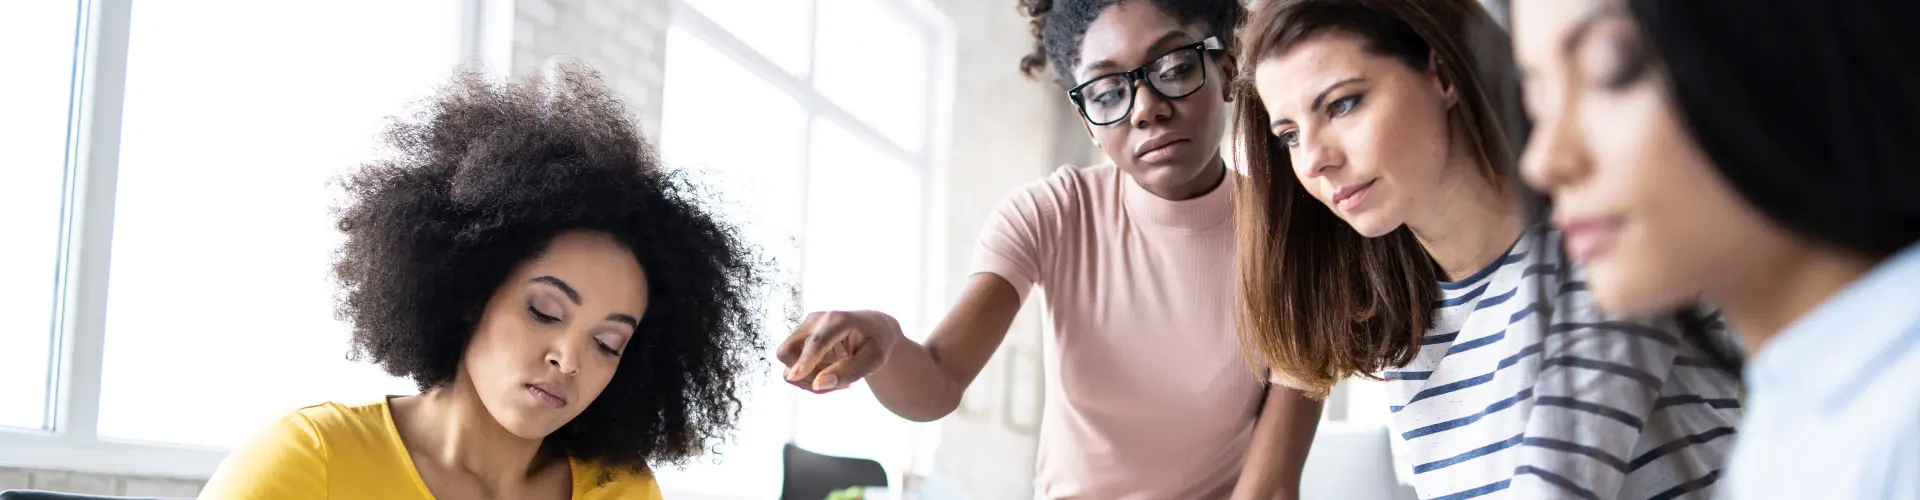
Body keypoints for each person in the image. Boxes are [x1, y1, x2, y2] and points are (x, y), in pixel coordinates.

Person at [775, 1, 1322, 498]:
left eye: (1174, 67)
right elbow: (937, 383)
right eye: (1108, 92)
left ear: (1226, 71)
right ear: (1086, 119)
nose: (1146, 109)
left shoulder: (1295, 245)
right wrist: (889, 343)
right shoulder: (1052, 214)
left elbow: (1270, 487)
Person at [1232, 0, 1743, 498]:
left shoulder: (1598, 245)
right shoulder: (1407, 324)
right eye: (1290, 136)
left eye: (1343, 104)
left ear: (1442, 75)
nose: (1316, 160)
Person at [200, 64, 769, 500]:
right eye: (544, 311)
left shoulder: (619, 489)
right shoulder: (313, 460)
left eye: (607, 343)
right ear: (472, 290)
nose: (569, 360)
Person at [1509, 0, 1920, 497]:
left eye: (1612, 68)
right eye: (1538, 100)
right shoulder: (1792, 412)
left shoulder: (1899, 416)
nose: (1543, 160)